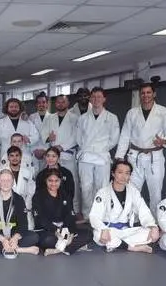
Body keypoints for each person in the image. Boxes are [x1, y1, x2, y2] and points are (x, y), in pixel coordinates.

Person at [115, 83, 166, 215]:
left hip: (155, 157)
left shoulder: (163, 112)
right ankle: (132, 219)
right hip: (135, 156)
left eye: (149, 92)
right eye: (143, 93)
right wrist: (120, 157)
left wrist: (163, 141)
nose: (146, 95)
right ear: (140, 95)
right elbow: (125, 135)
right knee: (132, 190)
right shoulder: (132, 113)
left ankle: (156, 222)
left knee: (155, 192)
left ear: (154, 94)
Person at [90, 160, 159, 253]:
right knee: (98, 234)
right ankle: (132, 247)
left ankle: (118, 245)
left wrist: (152, 226)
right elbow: (94, 216)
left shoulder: (133, 191)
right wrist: (103, 229)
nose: (123, 176)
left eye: (127, 173)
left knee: (149, 232)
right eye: (120, 172)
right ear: (113, 174)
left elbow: (144, 211)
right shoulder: (103, 192)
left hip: (126, 231)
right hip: (109, 230)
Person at [77, 87, 120, 220]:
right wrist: (89, 148)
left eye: (99, 97)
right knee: (85, 187)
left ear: (104, 99)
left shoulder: (112, 117)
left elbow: (114, 139)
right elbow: (78, 138)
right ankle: (87, 214)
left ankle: (101, 214)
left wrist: (100, 148)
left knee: (102, 187)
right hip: (86, 156)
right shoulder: (83, 118)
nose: (96, 99)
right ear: (90, 99)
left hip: (102, 157)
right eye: (93, 97)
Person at [32, 168, 91, 256]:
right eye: (50, 180)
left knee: (89, 234)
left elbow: (70, 215)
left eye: (56, 181)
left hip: (64, 230)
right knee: (47, 240)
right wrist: (56, 231)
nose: (53, 183)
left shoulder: (65, 195)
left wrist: (71, 233)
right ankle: (70, 246)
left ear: (60, 181)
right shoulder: (38, 196)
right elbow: (40, 219)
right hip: (48, 230)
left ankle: (57, 250)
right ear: (46, 181)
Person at [0, 169, 39, 257]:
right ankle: (20, 249)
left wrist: (15, 238)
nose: (5, 183)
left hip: (14, 234)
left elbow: (23, 222)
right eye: (2, 180)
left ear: (13, 182)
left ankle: (7, 248)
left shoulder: (19, 199)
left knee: (34, 237)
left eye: (8, 180)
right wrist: (3, 239)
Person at [41, 94, 81, 217]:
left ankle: (74, 209)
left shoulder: (75, 118)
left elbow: (76, 136)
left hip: (67, 154)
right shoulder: (50, 118)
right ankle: (53, 208)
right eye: (58, 102)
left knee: (71, 182)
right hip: (53, 157)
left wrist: (61, 147)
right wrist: (48, 138)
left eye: (63, 102)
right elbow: (43, 132)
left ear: (67, 103)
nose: (60, 104)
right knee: (52, 182)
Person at [0, 98, 39, 163]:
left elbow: (36, 136)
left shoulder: (28, 122)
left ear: (20, 108)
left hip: (24, 157)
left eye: (16, 107)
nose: (14, 109)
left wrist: (29, 139)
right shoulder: (0, 123)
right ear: (7, 108)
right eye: (11, 107)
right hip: (6, 157)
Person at [1, 146, 36, 228]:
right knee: (8, 230)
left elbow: (31, 191)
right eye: (12, 155)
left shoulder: (27, 172)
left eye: (17, 155)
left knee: (28, 228)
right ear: (8, 157)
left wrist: (26, 204)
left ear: (21, 157)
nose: (14, 158)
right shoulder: (2, 172)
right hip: (7, 205)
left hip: (25, 204)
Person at [29, 92, 50, 174]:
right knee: (34, 175)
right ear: (36, 104)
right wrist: (34, 150)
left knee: (46, 176)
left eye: (44, 102)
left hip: (47, 152)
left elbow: (54, 138)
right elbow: (28, 136)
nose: (41, 104)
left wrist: (45, 151)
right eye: (39, 102)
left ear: (47, 104)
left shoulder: (52, 118)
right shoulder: (31, 118)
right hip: (34, 152)